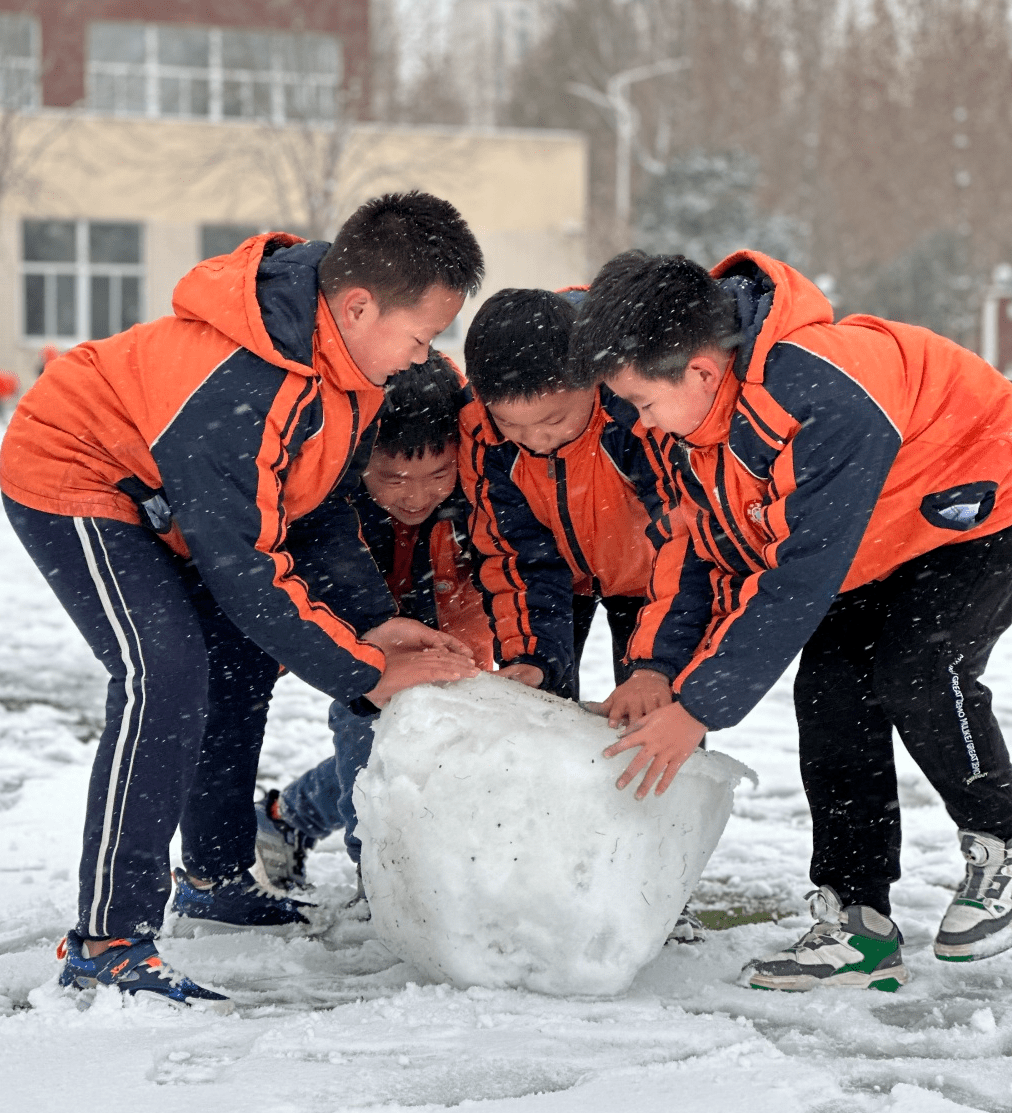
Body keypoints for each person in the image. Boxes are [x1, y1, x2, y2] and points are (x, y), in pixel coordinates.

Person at [0, 192, 484, 1011]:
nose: (422, 355)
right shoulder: (241, 379)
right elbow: (245, 567)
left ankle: (214, 874)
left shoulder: (356, 368)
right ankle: (108, 940)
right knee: (165, 672)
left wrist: (370, 614)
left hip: (178, 502)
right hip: (78, 473)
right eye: (420, 334)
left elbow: (317, 507)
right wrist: (365, 671)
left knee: (238, 662)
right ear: (358, 305)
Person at [568, 248, 1012, 991]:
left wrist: (700, 706)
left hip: (979, 508)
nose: (636, 420)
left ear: (701, 371)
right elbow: (704, 552)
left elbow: (797, 579)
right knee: (830, 690)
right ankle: (857, 923)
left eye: (642, 401)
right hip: (875, 537)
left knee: (914, 665)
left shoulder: (820, 389)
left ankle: (1001, 834)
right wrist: (655, 668)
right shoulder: (693, 424)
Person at [256, 351, 494, 891]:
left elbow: (475, 585)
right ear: (360, 459)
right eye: (393, 477)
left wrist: (469, 662)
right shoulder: (331, 496)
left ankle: (287, 817)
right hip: (361, 630)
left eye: (439, 473)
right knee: (365, 727)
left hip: (441, 613)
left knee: (444, 735)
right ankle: (382, 884)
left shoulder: (475, 491)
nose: (416, 495)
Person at [459, 287, 668, 722]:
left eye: (554, 420)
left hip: (650, 581)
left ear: (594, 379)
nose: (535, 439)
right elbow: (513, 551)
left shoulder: (637, 411)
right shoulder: (483, 436)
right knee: (538, 706)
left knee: (650, 708)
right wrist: (529, 655)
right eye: (510, 423)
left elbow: (683, 535)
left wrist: (657, 664)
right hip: (553, 585)